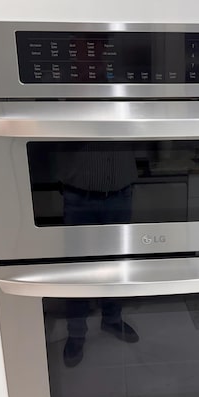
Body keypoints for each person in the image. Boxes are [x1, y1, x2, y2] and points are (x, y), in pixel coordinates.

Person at [55, 142, 140, 367]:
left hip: (120, 193)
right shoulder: (67, 103)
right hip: (79, 195)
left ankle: (112, 319)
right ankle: (76, 333)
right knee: (77, 269)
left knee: (116, 264)